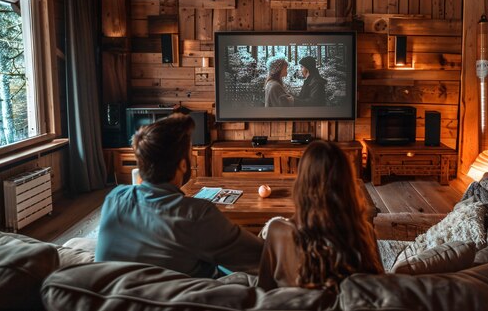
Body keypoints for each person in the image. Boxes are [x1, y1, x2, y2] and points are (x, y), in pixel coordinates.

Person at [95, 114, 263, 277]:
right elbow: (261, 256)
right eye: (189, 153)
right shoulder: (197, 214)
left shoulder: (114, 198)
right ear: (183, 165)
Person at [257, 140, 383, 291]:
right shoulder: (364, 231)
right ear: (347, 185)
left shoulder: (276, 230)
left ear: (302, 183)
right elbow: (378, 290)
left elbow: (263, 292)